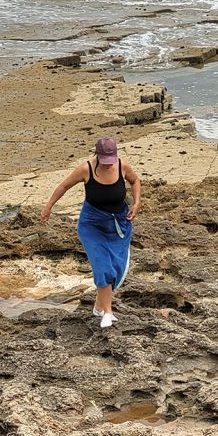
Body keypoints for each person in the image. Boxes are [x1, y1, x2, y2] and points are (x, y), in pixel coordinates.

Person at [41, 137, 140, 328]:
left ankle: (98, 306)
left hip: (117, 224)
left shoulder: (122, 167)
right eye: (104, 161)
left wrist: (136, 203)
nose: (108, 165)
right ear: (97, 155)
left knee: (117, 268)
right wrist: (48, 207)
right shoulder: (85, 169)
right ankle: (108, 313)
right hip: (92, 226)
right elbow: (64, 186)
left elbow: (135, 181)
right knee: (103, 268)